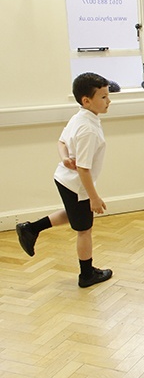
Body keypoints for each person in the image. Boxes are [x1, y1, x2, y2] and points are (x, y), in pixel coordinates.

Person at [16, 72, 113, 288]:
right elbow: (84, 169)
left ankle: (31, 229)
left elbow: (61, 141)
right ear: (86, 100)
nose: (109, 101)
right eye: (104, 97)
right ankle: (86, 275)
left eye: (108, 96)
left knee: (74, 215)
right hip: (77, 184)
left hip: (64, 178)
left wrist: (64, 158)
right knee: (84, 230)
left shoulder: (80, 116)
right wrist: (94, 198)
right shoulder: (88, 128)